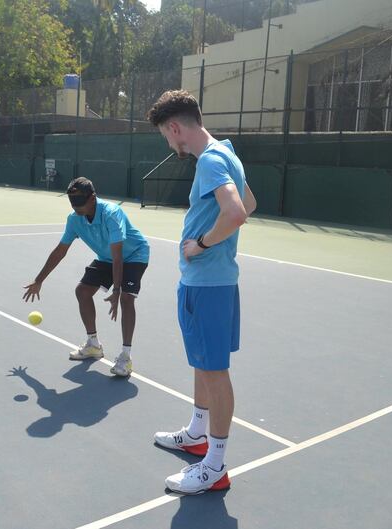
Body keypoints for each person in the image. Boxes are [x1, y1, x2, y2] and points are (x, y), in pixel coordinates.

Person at [146, 90, 257, 495]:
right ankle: (196, 432)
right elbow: (251, 201)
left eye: (165, 135)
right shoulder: (227, 153)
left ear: (176, 127)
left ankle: (215, 465)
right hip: (207, 283)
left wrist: (204, 244)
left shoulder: (210, 161)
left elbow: (237, 212)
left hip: (209, 284)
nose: (169, 143)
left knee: (214, 370)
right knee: (202, 363)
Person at [22, 177, 150, 377]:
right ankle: (93, 345)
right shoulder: (74, 219)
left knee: (126, 298)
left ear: (93, 198)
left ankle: (125, 356)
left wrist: (117, 291)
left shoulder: (112, 214)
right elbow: (60, 250)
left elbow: (119, 256)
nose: (77, 208)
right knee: (82, 291)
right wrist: (39, 280)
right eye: (73, 204)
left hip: (133, 255)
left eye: (81, 203)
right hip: (106, 257)